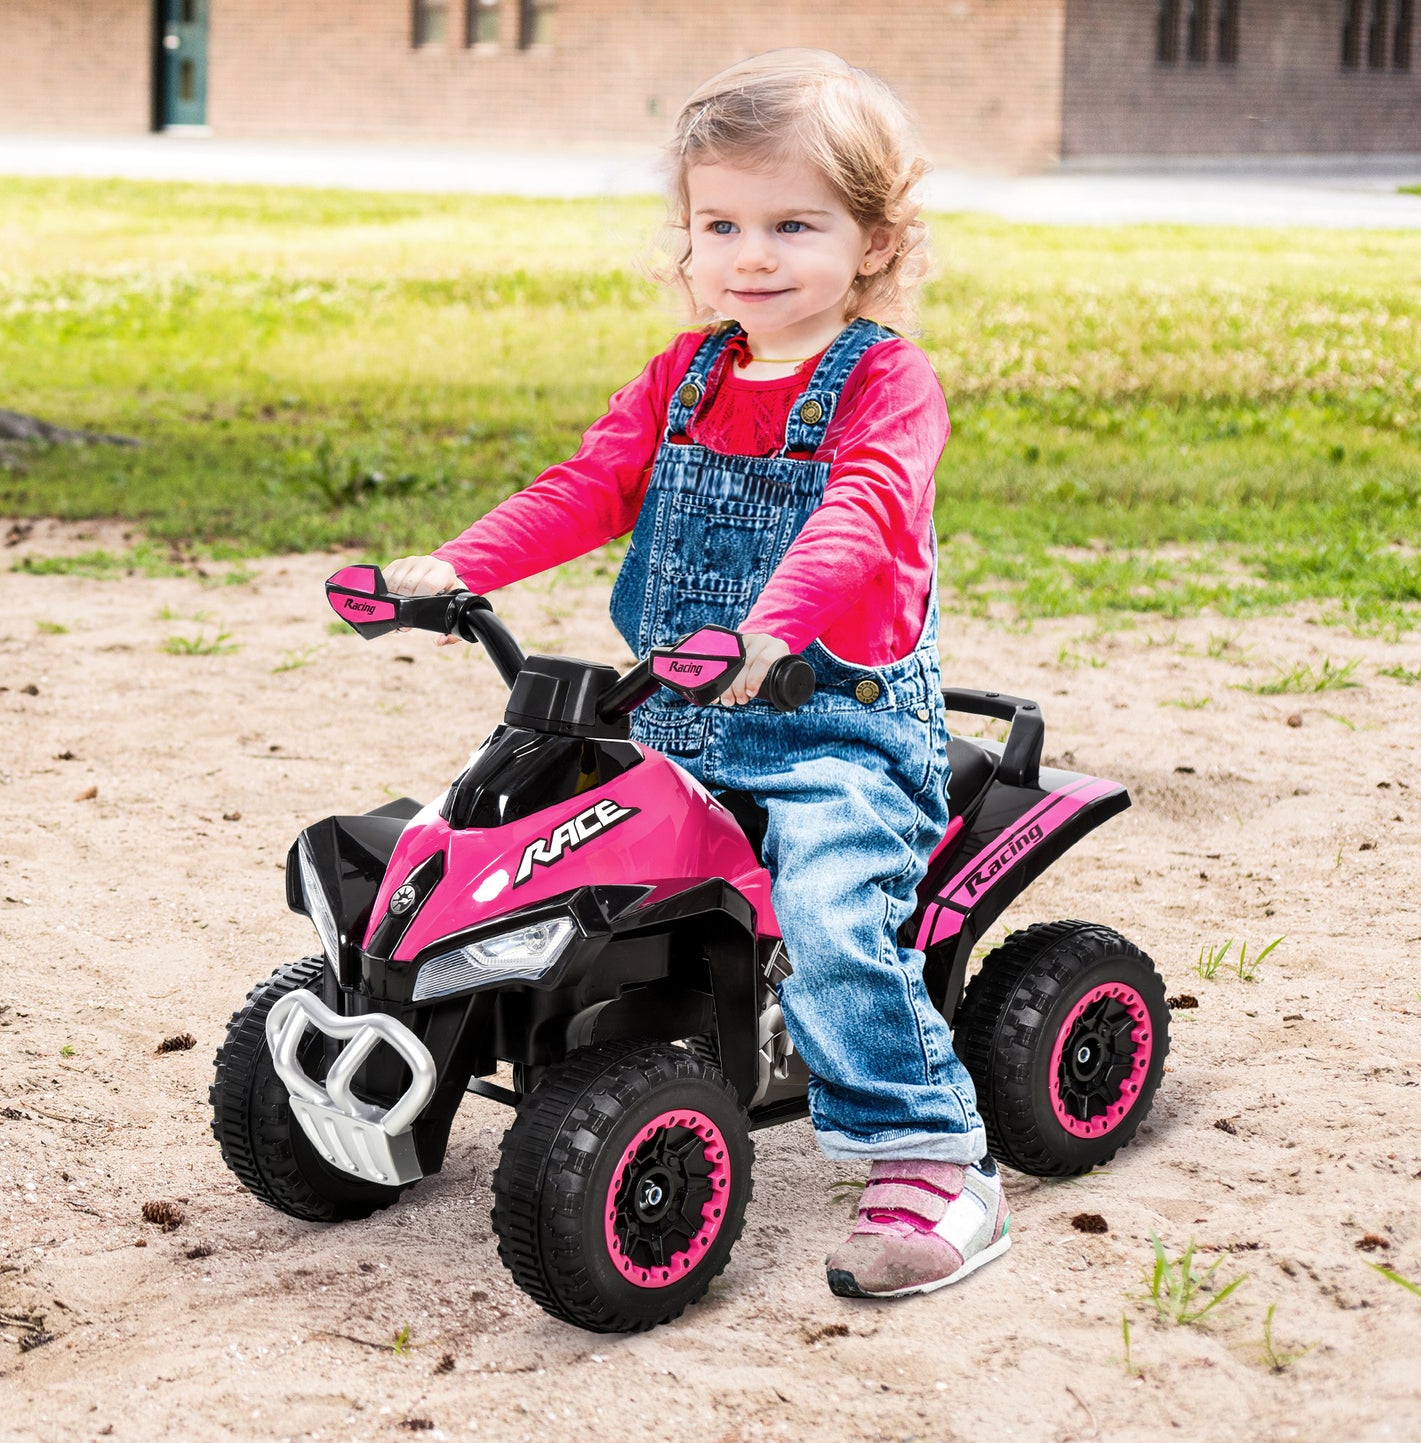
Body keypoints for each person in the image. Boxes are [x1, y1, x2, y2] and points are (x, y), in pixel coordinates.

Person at [384, 49, 1010, 1300]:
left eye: (793, 223)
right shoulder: (684, 378)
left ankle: (929, 1155)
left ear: (874, 241)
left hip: (836, 729)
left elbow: (862, 512)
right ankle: (405, 1058)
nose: (752, 255)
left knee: (832, 912)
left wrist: (774, 627)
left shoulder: (885, 384)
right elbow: (586, 487)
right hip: (670, 717)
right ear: (686, 236)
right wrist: (454, 563)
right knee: (497, 832)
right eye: (720, 223)